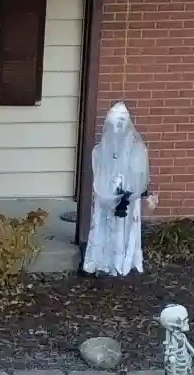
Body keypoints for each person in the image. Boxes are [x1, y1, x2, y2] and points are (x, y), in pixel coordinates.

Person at [83, 102, 153, 276]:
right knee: (103, 225)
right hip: (105, 194)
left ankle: (122, 262)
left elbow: (140, 174)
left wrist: (128, 191)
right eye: (115, 122)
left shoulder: (137, 148)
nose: (118, 126)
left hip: (127, 196)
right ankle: (100, 260)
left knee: (124, 227)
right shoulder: (100, 150)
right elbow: (99, 171)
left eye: (122, 122)